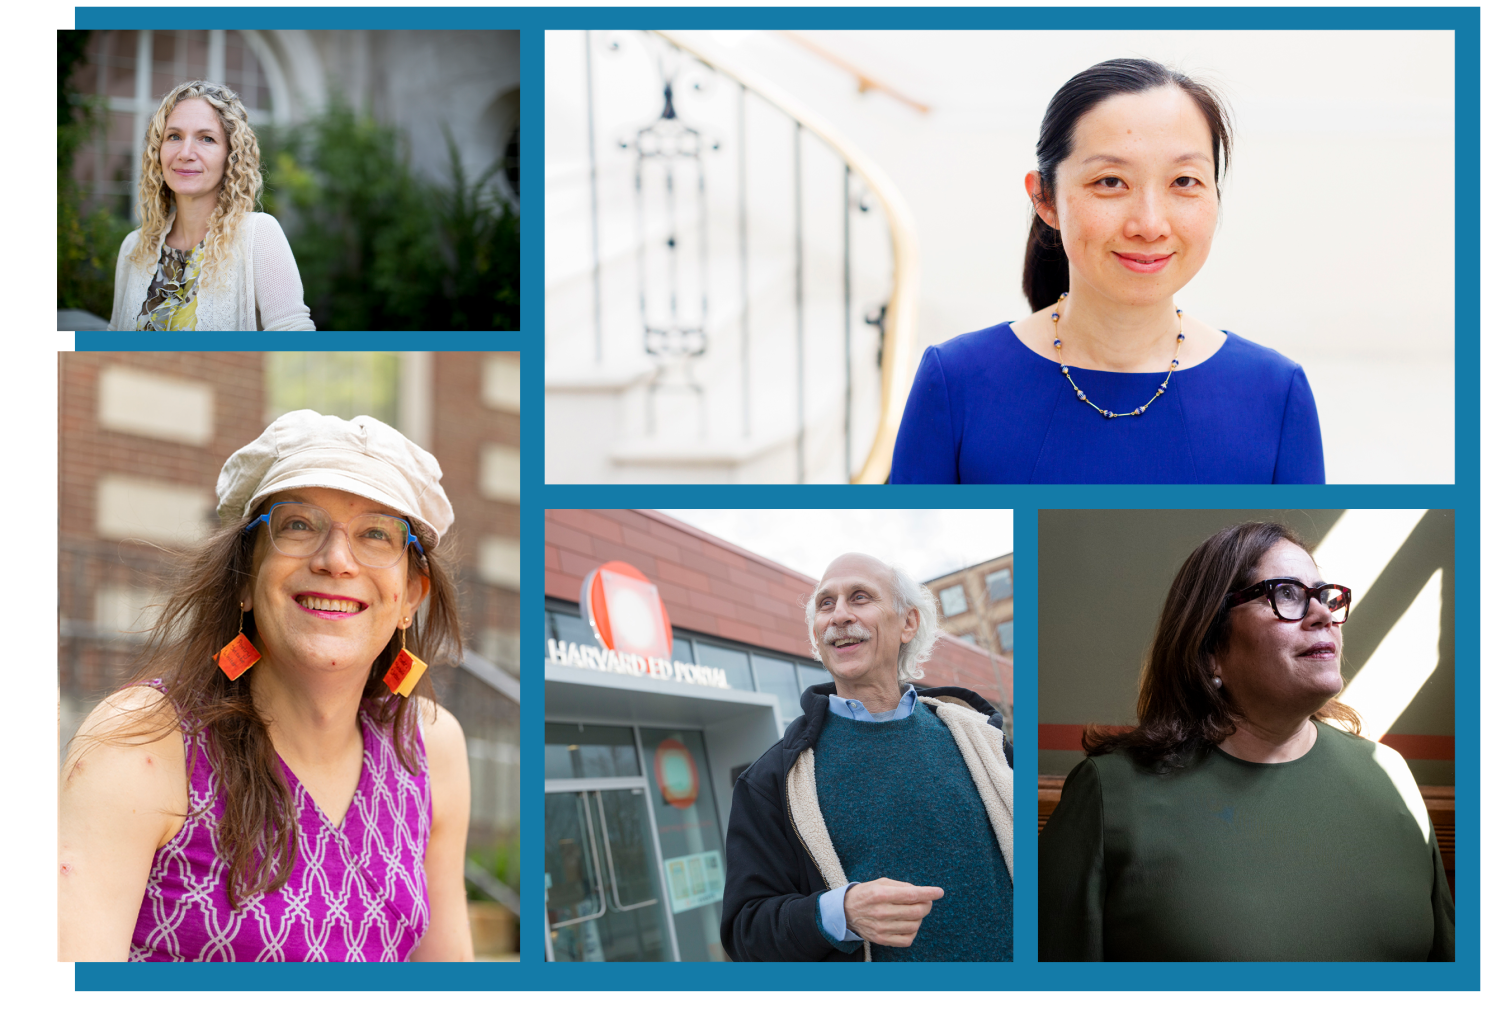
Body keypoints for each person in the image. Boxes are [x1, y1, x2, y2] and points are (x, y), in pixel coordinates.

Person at [57, 410, 473, 961]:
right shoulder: (140, 743)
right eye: (298, 524)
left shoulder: (430, 745)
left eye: (376, 534)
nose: (335, 560)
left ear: (411, 597)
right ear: (245, 580)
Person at [890, 59, 1323, 484]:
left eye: (1184, 181)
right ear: (1045, 200)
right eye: (1111, 182)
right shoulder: (956, 381)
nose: (1150, 225)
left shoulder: (1276, 393)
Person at [1039, 522, 1454, 961]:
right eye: (1287, 594)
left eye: (1324, 595)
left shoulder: (1390, 773)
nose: (1323, 615)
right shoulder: (1110, 792)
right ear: (1210, 647)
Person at [721, 553, 1014, 961]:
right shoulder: (771, 781)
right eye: (826, 604)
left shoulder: (982, 743)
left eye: (859, 598)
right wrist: (839, 912)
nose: (838, 615)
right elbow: (744, 931)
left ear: (907, 624)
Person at [107, 80, 314, 331]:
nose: (185, 153)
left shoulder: (257, 235)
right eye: (174, 136)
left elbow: (294, 338)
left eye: (206, 138)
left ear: (231, 155)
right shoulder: (134, 247)